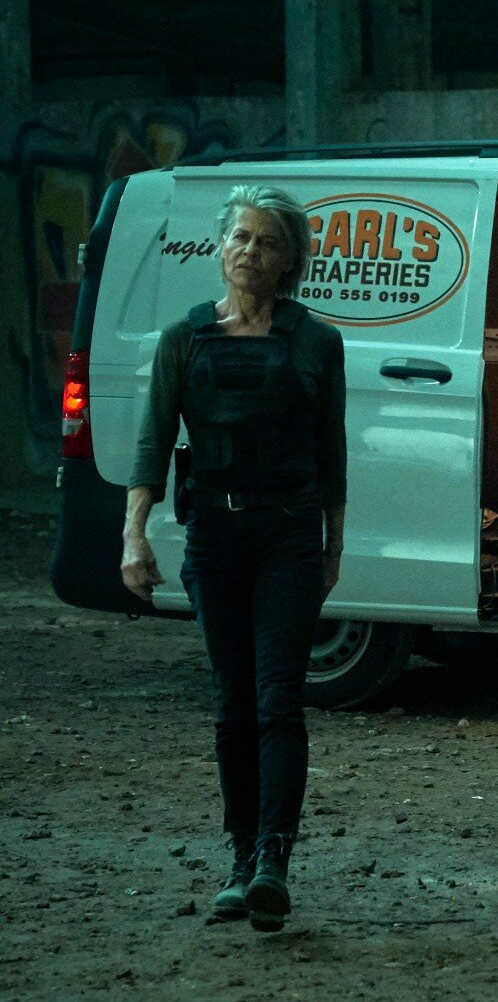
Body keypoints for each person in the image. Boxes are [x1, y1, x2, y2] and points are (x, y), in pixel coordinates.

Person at [120, 185, 346, 930]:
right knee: (232, 703)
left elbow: (332, 452)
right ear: (221, 248)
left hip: (287, 536)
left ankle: (274, 859)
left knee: (277, 698)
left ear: (289, 261)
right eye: (241, 237)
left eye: (267, 241)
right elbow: (154, 440)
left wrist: (334, 544)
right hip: (214, 538)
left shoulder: (316, 341)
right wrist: (134, 534)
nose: (251, 251)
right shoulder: (184, 339)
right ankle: (241, 858)